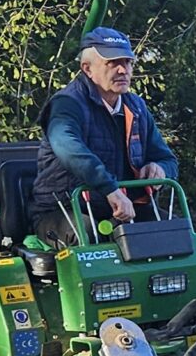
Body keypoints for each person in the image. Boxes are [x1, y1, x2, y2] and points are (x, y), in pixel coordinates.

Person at [30, 29, 176, 243]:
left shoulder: (137, 108)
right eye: (112, 63)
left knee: (177, 232)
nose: (123, 70)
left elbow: (168, 160)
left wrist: (160, 169)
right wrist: (110, 189)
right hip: (62, 211)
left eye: (127, 62)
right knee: (89, 235)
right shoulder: (67, 104)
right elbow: (69, 148)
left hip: (123, 210)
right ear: (87, 69)